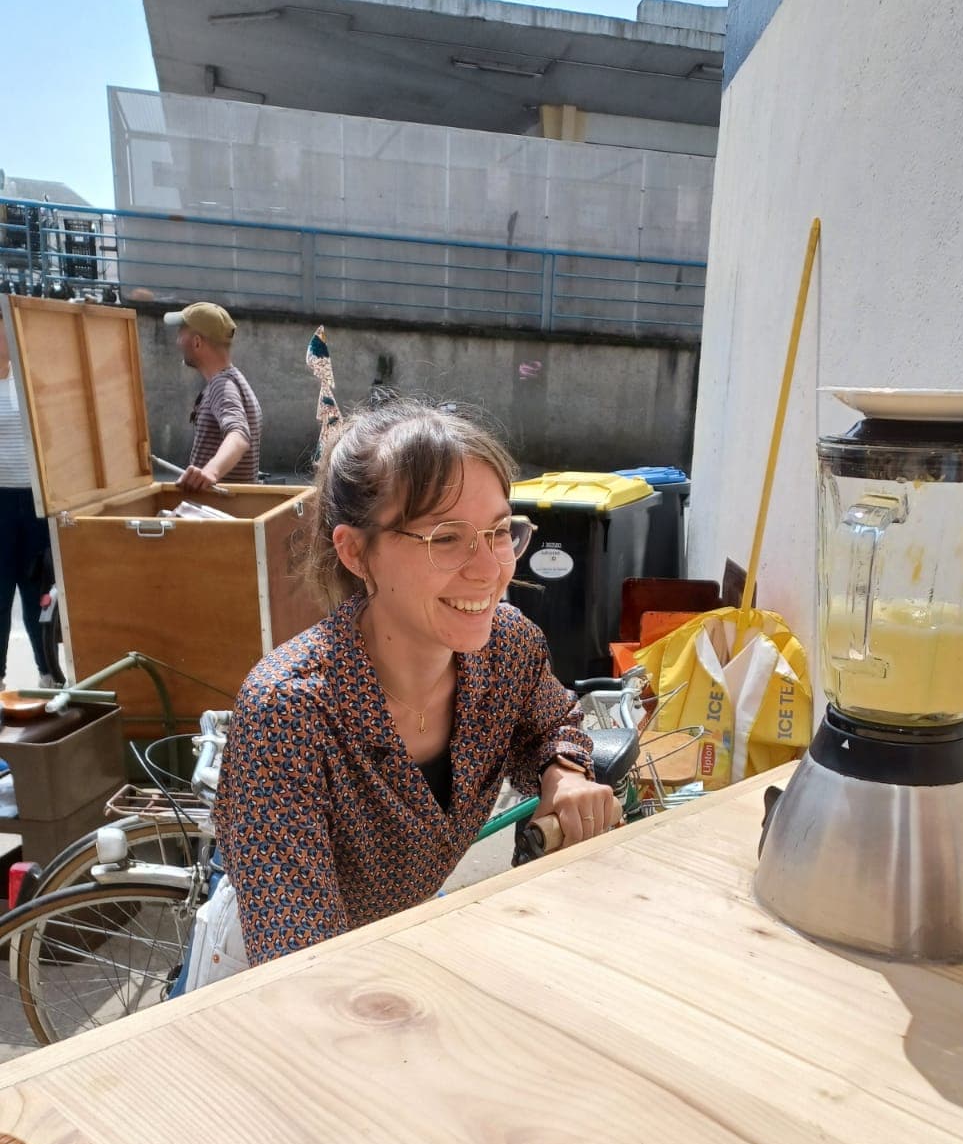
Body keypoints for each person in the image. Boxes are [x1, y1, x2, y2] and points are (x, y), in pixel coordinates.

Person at [214, 397, 620, 966]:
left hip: (407, 938)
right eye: (446, 538)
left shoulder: (507, 647)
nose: (489, 569)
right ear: (356, 552)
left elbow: (549, 722)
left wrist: (565, 774)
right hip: (288, 977)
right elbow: (298, 961)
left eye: (500, 531)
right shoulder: (290, 712)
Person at [0, 315, 55, 690]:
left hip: (35, 503)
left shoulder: (31, 380)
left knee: (39, 594)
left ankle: (48, 672)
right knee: (0, 594)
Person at [163, 301, 262, 489]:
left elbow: (239, 435)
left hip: (217, 509)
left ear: (197, 342)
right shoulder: (234, 380)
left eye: (181, 333)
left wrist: (211, 471)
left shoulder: (222, 385)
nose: (177, 342)